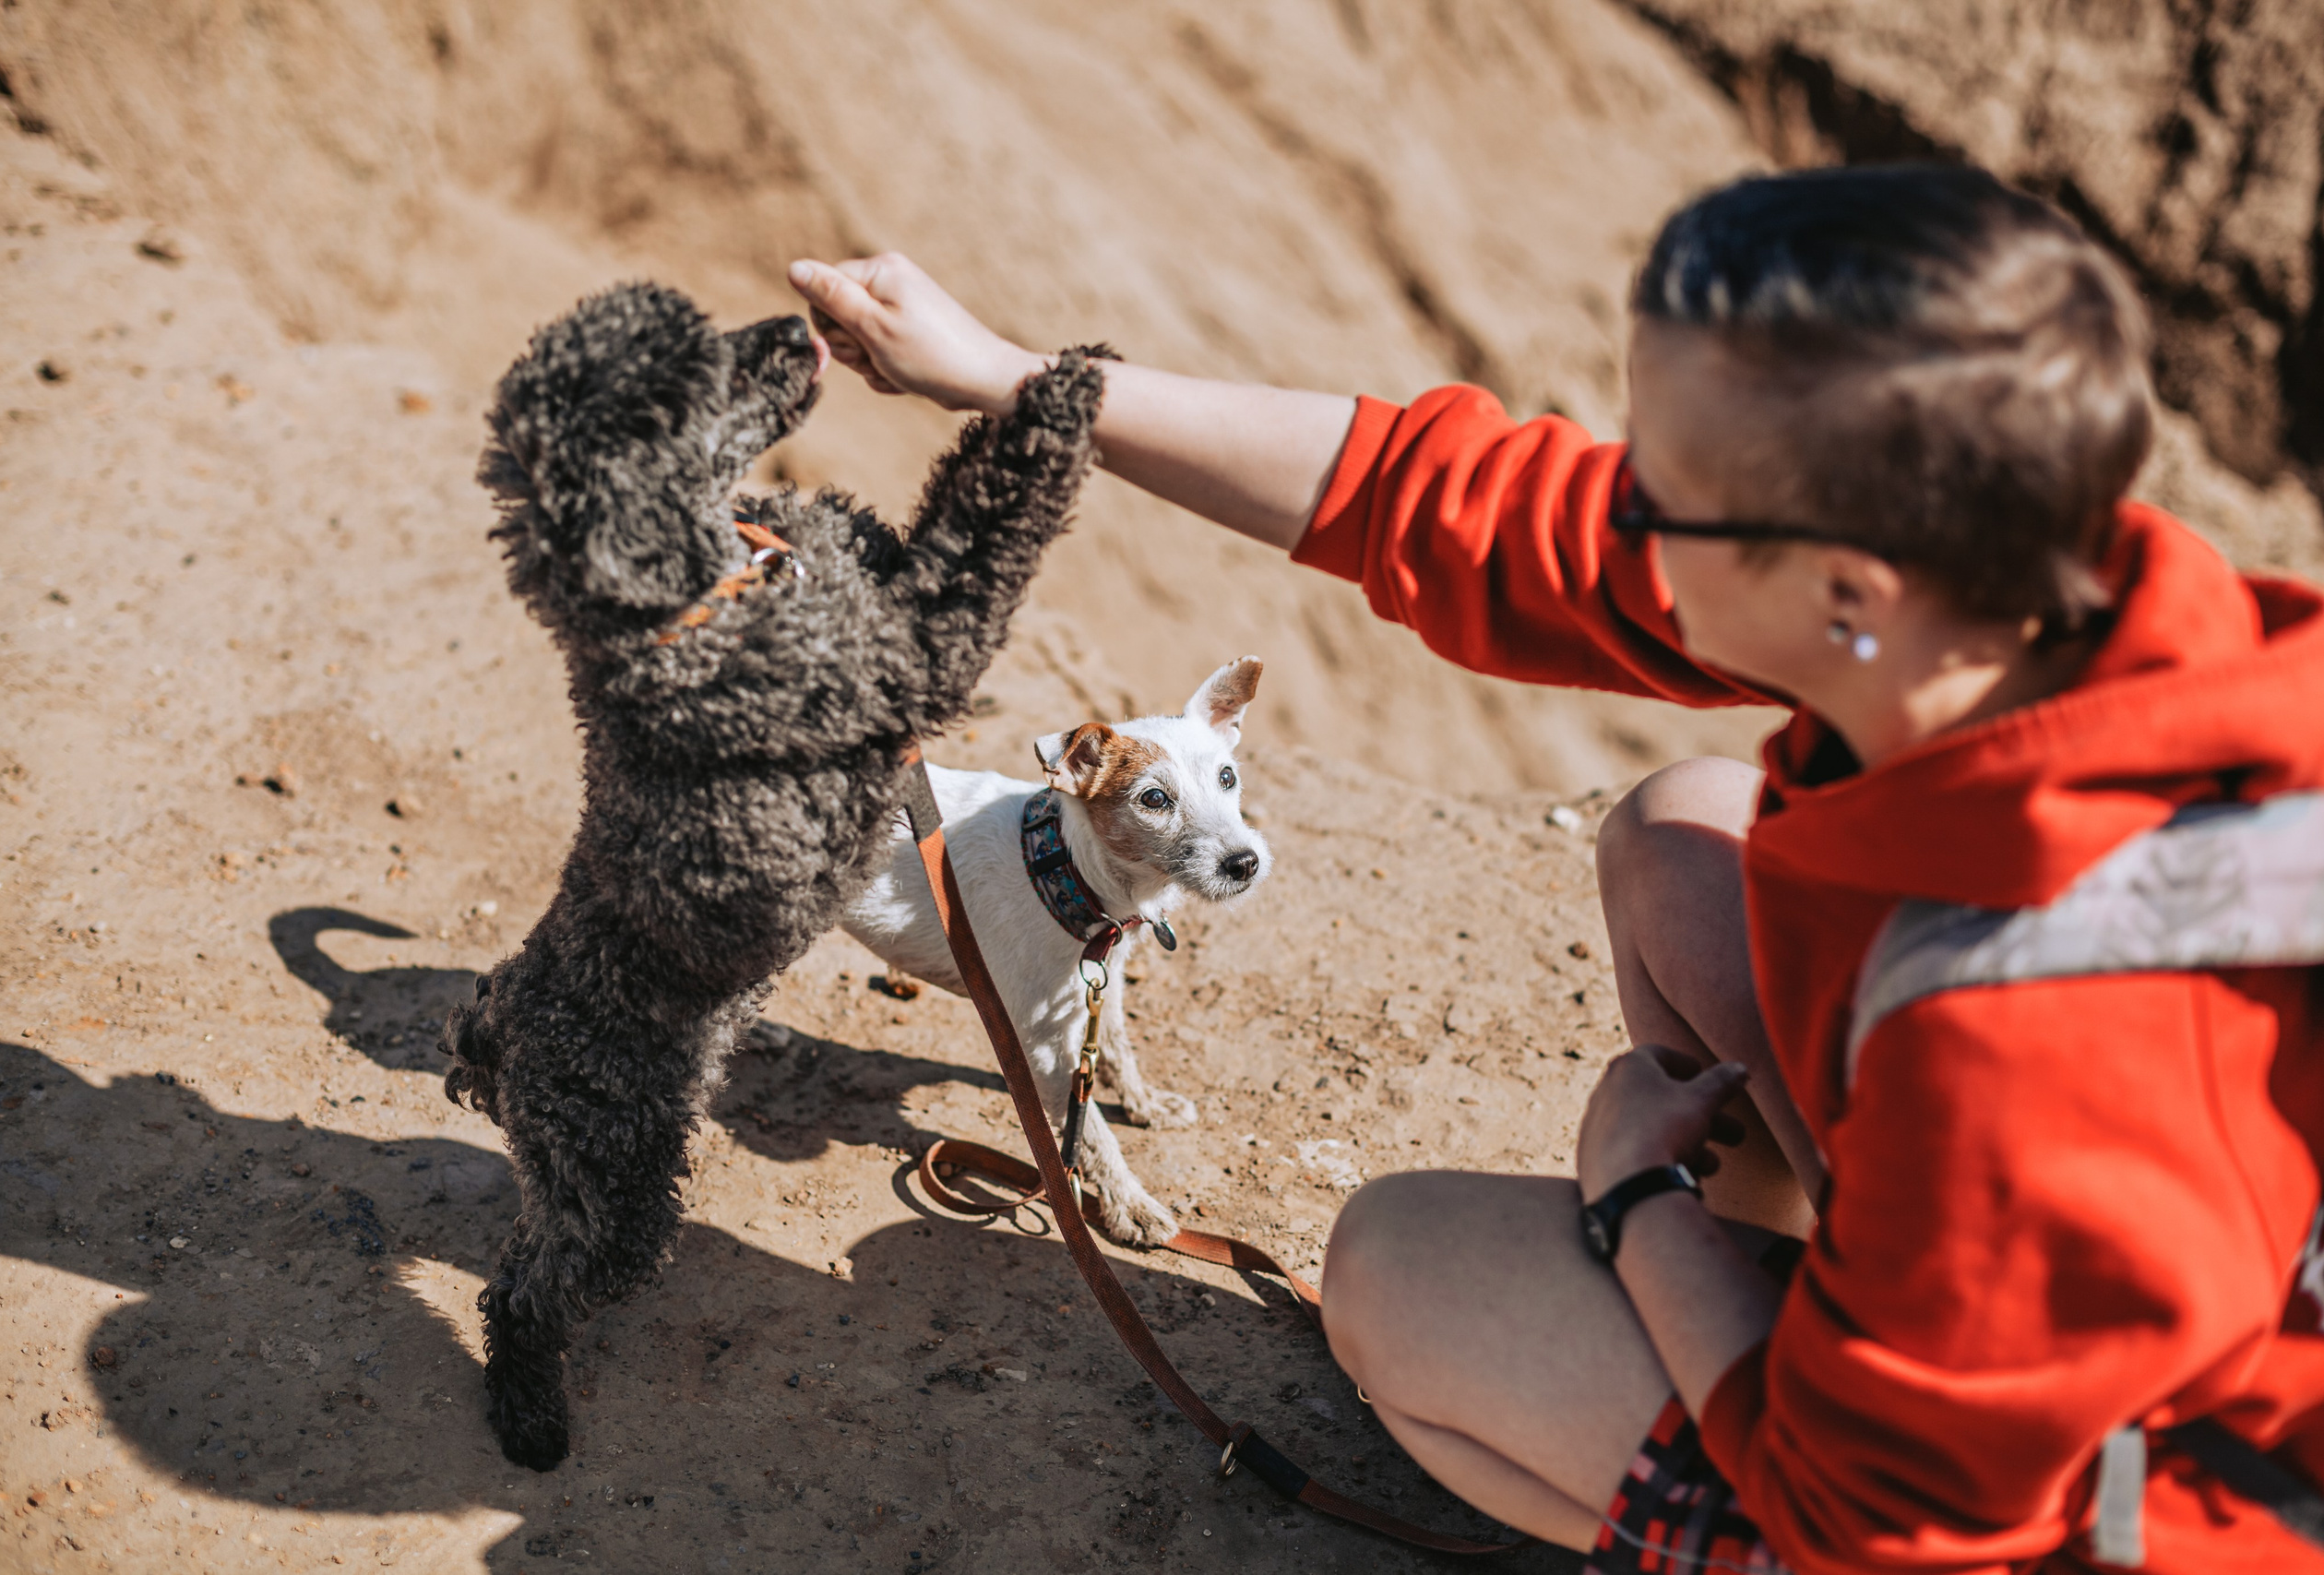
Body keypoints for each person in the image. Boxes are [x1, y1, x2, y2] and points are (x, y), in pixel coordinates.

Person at [788, 164, 2324, 1573]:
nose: (1620, 506)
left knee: (1398, 1270)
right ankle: (1817, 1289)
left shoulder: (2026, 1030)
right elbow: (1473, 512)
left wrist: (1645, 1200)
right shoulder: (2043, 603)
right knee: (1685, 830)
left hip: (2091, 1516)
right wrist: (1020, 381)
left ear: (1847, 589)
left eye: (1665, 486)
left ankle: (1757, 1373)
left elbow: (1888, 1515)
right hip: (2070, 1293)